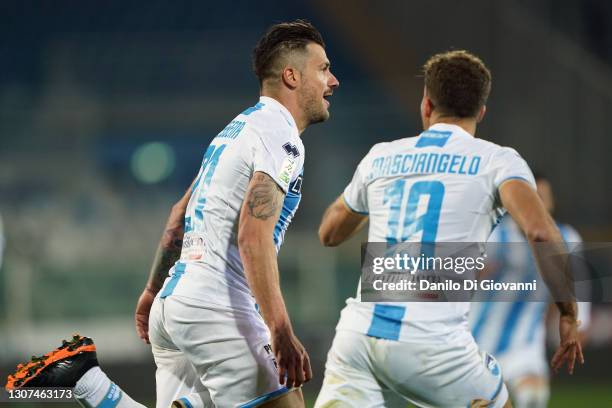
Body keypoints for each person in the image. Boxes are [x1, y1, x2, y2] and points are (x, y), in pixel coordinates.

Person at [6, 19, 339, 408]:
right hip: (219, 307)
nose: (332, 81)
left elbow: (178, 216)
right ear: (291, 76)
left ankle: (88, 383)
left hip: (175, 304)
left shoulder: (234, 131)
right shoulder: (281, 139)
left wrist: (153, 291)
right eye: (324, 69)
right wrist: (280, 328)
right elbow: (252, 236)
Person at [314, 50, 583, 408]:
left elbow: (329, 233)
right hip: (432, 346)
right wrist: (568, 312)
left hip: (358, 337)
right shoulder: (497, 160)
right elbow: (540, 232)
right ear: (481, 112)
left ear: (426, 104)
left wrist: (379, 192)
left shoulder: (380, 156)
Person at [470, 174, 591, 408]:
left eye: (542, 198)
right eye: (530, 198)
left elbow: (577, 296)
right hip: (477, 345)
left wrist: (574, 324)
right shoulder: (492, 235)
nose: (536, 205)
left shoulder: (567, 240)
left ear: (552, 202)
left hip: (524, 349)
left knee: (533, 397)